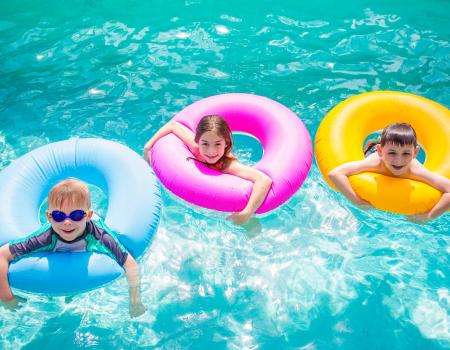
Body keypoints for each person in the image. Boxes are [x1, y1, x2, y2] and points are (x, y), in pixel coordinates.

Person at [0, 179, 146, 317]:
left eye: (76, 215)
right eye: (58, 216)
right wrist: (7, 298)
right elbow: (2, 255)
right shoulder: (44, 237)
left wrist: (135, 302)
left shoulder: (99, 235)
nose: (67, 222)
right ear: (49, 217)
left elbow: (130, 264)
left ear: (88, 215)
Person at [143, 115, 272, 225]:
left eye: (218, 144)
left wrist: (247, 213)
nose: (211, 151)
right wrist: (148, 145)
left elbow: (264, 180)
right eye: (205, 144)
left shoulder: (226, 164)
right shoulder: (195, 147)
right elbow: (173, 125)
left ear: (226, 143)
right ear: (198, 141)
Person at [328, 122, 450, 221]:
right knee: (371, 147)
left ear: (415, 153)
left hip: (388, 153)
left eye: (406, 153)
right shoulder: (374, 163)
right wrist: (357, 201)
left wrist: (429, 216)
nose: (399, 160)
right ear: (380, 151)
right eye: (392, 153)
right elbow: (335, 174)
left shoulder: (416, 171)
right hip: (373, 153)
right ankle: (375, 143)